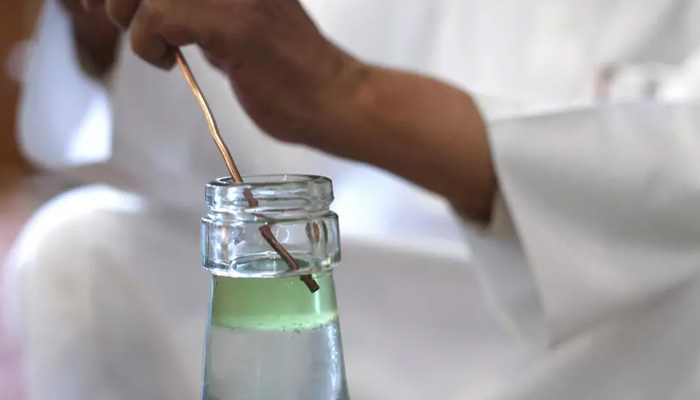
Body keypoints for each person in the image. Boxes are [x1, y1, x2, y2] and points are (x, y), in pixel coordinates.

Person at [6, 0, 700, 399]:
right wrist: (113, 28)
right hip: (381, 286)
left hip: (648, 320)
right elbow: (261, 148)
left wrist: (349, 96)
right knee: (83, 254)